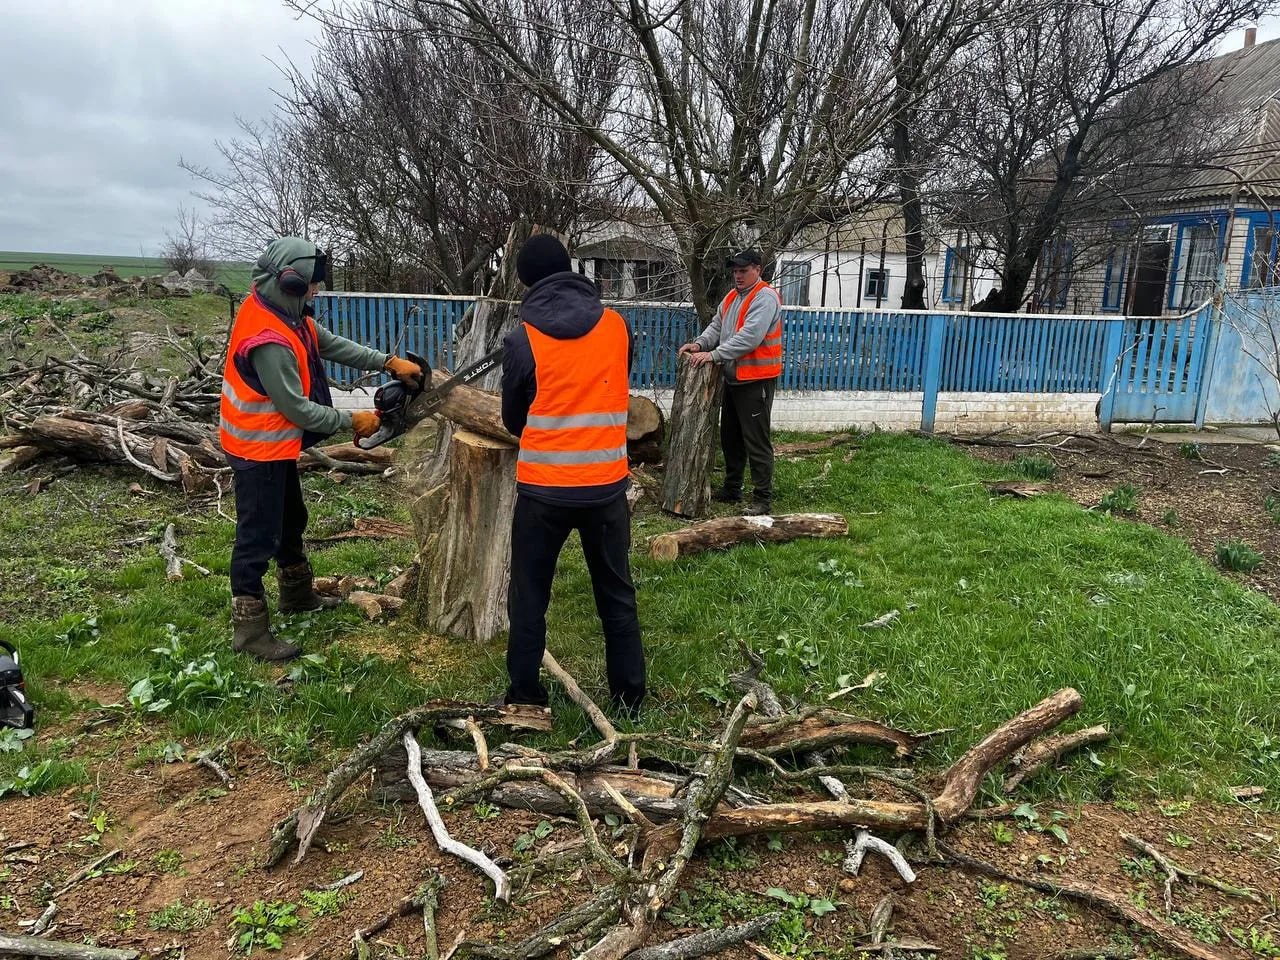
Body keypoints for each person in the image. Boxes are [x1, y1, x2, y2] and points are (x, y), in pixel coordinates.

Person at [219, 236, 423, 662]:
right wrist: (351, 420)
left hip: (275, 446)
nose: (315, 291)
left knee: (292, 519)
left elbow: (329, 343)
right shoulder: (269, 339)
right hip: (256, 448)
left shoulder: (287, 314)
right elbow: (296, 408)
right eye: (311, 284)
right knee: (258, 537)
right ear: (290, 282)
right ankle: (250, 631)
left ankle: (296, 594)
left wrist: (386, 361)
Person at [498, 234, 646, 717]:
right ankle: (629, 699)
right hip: (606, 490)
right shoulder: (617, 327)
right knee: (617, 595)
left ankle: (525, 697)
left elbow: (513, 421)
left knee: (529, 597)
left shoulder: (523, 339)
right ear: (570, 270)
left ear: (528, 282)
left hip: (543, 494)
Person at [678, 248, 783, 516]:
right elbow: (716, 326)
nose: (738, 275)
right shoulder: (732, 297)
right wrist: (700, 343)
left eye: (743, 271)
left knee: (756, 440)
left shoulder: (765, 297)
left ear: (758, 270)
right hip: (735, 378)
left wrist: (713, 355)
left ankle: (762, 498)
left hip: (756, 380)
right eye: (735, 271)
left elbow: (750, 337)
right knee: (731, 438)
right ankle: (732, 488)